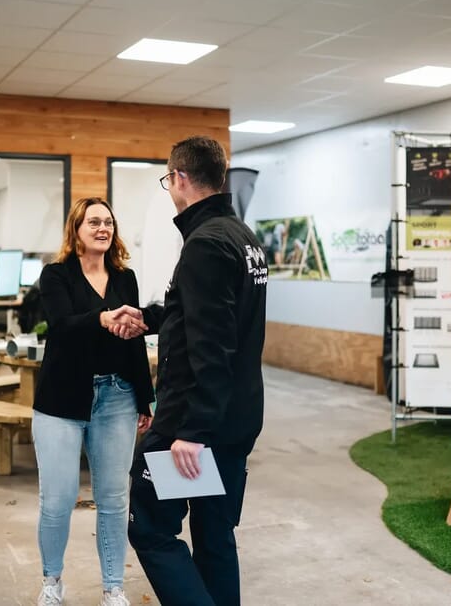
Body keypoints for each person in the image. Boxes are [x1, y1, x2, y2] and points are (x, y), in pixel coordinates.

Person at [117, 136, 268, 605]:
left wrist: (193, 431)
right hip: (238, 418)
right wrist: (152, 318)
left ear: (180, 178)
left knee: (151, 530)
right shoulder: (243, 238)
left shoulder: (204, 244)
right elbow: (213, 316)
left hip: (194, 426)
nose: (170, 189)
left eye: (168, 180)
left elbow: (214, 345)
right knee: (213, 532)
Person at [32, 197, 154, 606]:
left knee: (115, 498)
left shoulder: (125, 276)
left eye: (108, 222)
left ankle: (113, 587)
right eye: (93, 221)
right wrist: (103, 318)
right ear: (76, 229)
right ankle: (52, 581)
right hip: (61, 401)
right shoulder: (56, 275)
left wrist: (144, 397)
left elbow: (134, 342)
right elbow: (62, 326)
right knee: (59, 499)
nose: (102, 228)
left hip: (118, 396)